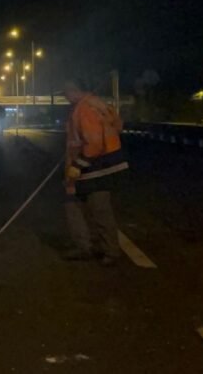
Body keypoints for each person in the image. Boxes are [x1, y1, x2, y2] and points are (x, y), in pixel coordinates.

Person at [61, 78, 129, 266]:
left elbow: (94, 143)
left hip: (95, 167)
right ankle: (85, 247)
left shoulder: (84, 109)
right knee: (72, 203)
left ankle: (110, 252)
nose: (65, 97)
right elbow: (116, 127)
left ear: (74, 89)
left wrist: (78, 165)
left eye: (66, 92)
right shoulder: (97, 104)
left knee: (99, 208)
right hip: (101, 164)